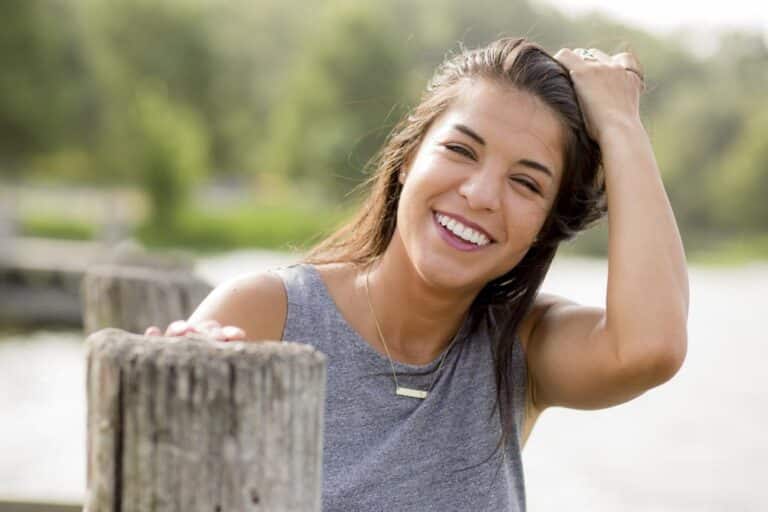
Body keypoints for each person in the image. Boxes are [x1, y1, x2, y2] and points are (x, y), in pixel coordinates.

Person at [146, 37, 688, 511]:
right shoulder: (265, 313)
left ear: (545, 225)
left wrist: (621, 125)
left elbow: (652, 347)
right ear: (408, 159)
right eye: (459, 150)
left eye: (526, 184)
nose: (479, 195)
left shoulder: (521, 345)